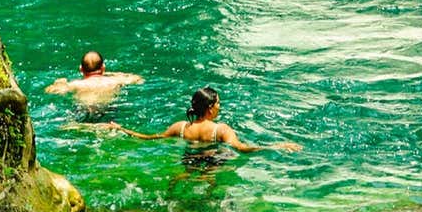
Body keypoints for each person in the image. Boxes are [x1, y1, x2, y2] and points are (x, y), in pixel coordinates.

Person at [109, 86, 300, 153]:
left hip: (189, 161)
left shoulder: (181, 127)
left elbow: (149, 138)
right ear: (210, 108)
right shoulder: (221, 130)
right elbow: (242, 149)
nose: (220, 106)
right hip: (212, 165)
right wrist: (277, 146)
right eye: (218, 103)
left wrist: (122, 129)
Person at [45, 50, 144, 105]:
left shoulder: (76, 84)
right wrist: (114, 74)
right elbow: (139, 79)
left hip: (84, 113)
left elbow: (49, 91)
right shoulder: (114, 81)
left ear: (81, 69)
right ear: (103, 67)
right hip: (108, 113)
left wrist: (59, 82)